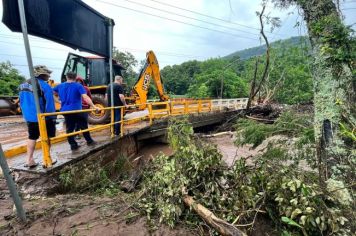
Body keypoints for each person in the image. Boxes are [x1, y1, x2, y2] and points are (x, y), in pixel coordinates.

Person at [19, 65, 56, 168]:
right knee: (47, 137)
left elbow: (21, 101)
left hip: (29, 117)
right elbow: (49, 103)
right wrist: (52, 117)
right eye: (47, 74)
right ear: (42, 75)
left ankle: (29, 160)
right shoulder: (44, 85)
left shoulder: (23, 85)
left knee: (32, 137)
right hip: (43, 116)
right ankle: (47, 159)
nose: (49, 76)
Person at [53, 71, 99, 151]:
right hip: (77, 110)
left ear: (66, 77)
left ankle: (73, 145)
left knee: (69, 129)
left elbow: (51, 93)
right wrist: (94, 106)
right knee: (84, 126)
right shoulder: (78, 86)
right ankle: (89, 141)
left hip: (65, 111)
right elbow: (85, 97)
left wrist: (58, 101)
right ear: (75, 77)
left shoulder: (59, 86)